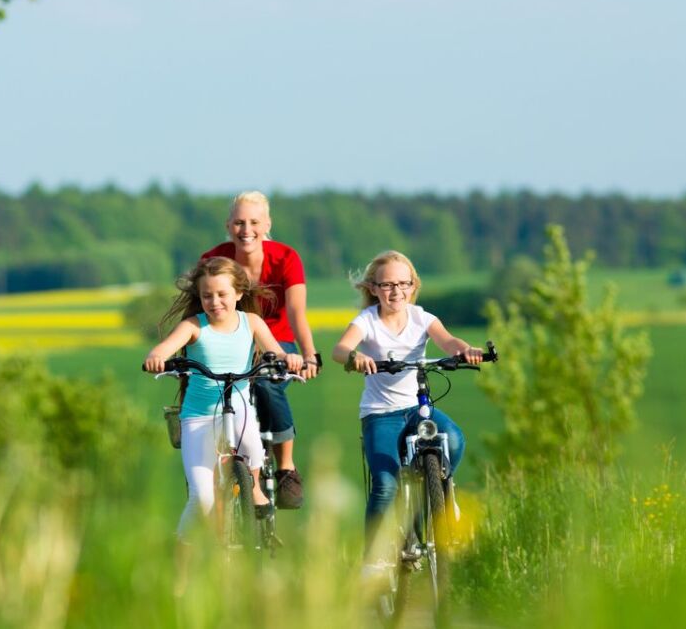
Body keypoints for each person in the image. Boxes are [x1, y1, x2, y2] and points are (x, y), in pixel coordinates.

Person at [330, 250, 483, 566]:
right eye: (387, 285)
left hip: (417, 407)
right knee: (385, 483)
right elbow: (340, 348)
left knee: (452, 439)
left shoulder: (421, 317)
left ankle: (442, 490)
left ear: (413, 286)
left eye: (403, 284)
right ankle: (372, 560)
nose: (395, 291)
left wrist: (465, 351)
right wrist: (354, 357)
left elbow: (447, 341)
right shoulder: (367, 321)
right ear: (373, 288)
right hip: (380, 413)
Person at [143, 257, 305, 542]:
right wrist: (157, 358)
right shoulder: (194, 326)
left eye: (222, 294)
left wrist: (288, 358)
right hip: (199, 416)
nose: (214, 301)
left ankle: (253, 488)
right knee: (201, 500)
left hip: (239, 407)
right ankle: (182, 560)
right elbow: (165, 348)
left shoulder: (251, 322)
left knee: (254, 447)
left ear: (239, 293)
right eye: (207, 295)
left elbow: (276, 352)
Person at [199, 191, 319, 509]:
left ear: (267, 224)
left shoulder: (285, 258)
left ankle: (286, 467)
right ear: (228, 226)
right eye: (239, 222)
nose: (246, 229)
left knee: (266, 383)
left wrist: (309, 354)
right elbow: (195, 308)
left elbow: (296, 313)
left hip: (278, 344)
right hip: (227, 342)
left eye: (253, 222)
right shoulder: (214, 259)